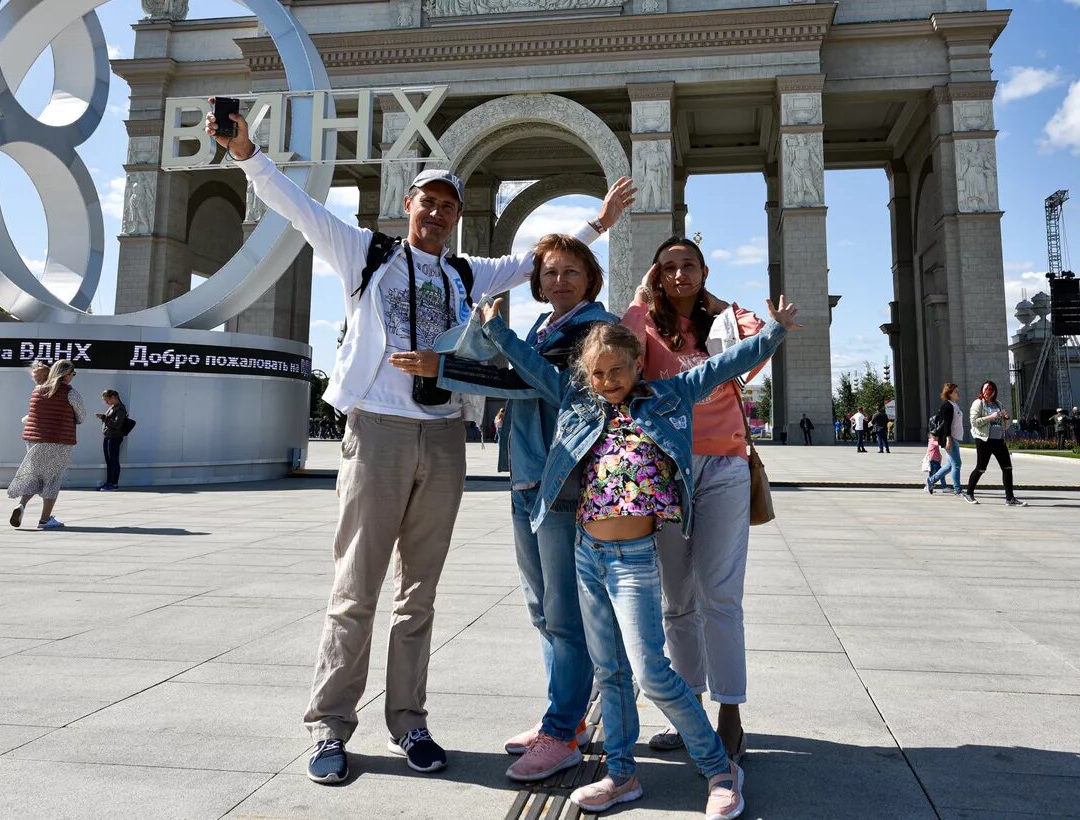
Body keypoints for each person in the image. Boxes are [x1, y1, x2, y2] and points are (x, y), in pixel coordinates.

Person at [208, 106, 634, 786]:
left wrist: (599, 224)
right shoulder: (366, 253)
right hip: (377, 429)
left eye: (447, 207)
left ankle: (409, 721)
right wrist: (247, 154)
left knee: (420, 595)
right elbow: (299, 208)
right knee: (356, 589)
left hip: (443, 438)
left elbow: (542, 261)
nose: (436, 214)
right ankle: (330, 724)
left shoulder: (467, 274)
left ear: (457, 217)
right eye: (427, 203)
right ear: (409, 206)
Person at [478, 294, 798, 817]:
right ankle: (622, 776)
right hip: (588, 554)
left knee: (650, 670)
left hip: (633, 560)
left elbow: (723, 365)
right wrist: (497, 329)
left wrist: (774, 333)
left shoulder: (667, 396)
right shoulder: (580, 401)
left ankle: (721, 770)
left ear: (637, 364)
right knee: (610, 673)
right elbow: (534, 367)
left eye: (617, 370)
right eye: (597, 373)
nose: (607, 380)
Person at [420, 234, 616, 783]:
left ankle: (561, 732)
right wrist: (439, 368)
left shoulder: (594, 330)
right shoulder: (545, 328)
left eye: (570, 272)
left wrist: (502, 334)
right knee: (540, 610)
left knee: (564, 613)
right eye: (549, 272)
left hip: (562, 482)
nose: (558, 281)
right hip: (526, 476)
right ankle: (566, 719)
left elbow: (558, 389)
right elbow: (512, 382)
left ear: (589, 279)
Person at [622, 237, 769, 764]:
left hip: (725, 466)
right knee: (675, 602)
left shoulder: (725, 325)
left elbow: (761, 345)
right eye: (668, 268)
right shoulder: (650, 328)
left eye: (689, 266)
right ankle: (691, 713)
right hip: (664, 469)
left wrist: (721, 307)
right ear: (657, 277)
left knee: (720, 596)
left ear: (705, 272)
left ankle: (731, 714)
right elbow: (618, 352)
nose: (679, 274)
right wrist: (641, 299)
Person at [6, 359, 83, 530]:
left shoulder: (37, 390)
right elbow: (82, 417)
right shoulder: (70, 393)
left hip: (33, 439)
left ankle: (22, 505)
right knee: (52, 479)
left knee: (35, 475)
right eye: (73, 373)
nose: (73, 377)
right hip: (59, 440)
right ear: (67, 374)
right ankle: (45, 519)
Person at [967, 381, 1026, 506]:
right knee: (981, 468)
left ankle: (1010, 498)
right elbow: (974, 422)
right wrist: (991, 417)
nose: (988, 392)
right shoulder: (978, 403)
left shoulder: (998, 404)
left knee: (1007, 468)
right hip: (984, 440)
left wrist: (1006, 418)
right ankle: (969, 493)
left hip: (998, 440)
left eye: (990, 389)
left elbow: (1005, 427)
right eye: (986, 389)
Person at [925, 382, 963, 498]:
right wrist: (948, 439)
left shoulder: (954, 405)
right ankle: (958, 490)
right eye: (956, 391)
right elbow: (946, 424)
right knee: (957, 464)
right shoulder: (947, 406)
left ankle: (931, 480)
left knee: (950, 465)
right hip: (950, 438)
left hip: (954, 438)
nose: (958, 393)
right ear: (950, 393)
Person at [94, 390, 129, 490]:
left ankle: (114, 484)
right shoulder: (112, 407)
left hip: (114, 437)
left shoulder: (120, 409)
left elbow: (117, 424)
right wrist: (104, 417)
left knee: (113, 460)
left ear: (113, 397)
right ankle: (109, 482)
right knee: (109, 461)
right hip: (108, 437)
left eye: (107, 400)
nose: (106, 403)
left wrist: (104, 418)